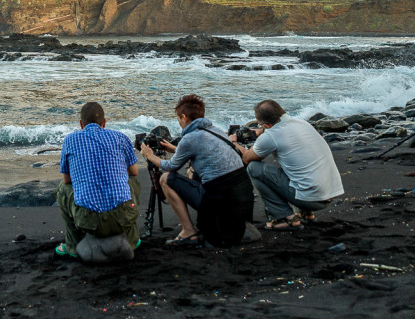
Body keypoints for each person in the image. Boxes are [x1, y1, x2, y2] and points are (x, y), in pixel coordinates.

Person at [139, 94, 251, 246]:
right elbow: (202, 151)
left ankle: (188, 231)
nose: (178, 122)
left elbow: (170, 166)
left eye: (178, 119)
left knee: (166, 179)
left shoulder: (190, 138)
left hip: (222, 202)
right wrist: (174, 149)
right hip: (241, 198)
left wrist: (149, 155)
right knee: (193, 170)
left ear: (184, 117)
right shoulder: (215, 130)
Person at [241, 100, 344, 231]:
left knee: (254, 168)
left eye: (261, 124)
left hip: (311, 199)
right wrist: (259, 132)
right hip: (329, 193)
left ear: (266, 124)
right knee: (299, 168)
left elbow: (247, 158)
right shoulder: (302, 123)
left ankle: (283, 218)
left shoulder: (271, 136)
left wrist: (233, 142)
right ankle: (305, 213)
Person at [55, 102, 140, 259]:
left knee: (62, 189)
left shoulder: (70, 140)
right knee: (132, 180)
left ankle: (72, 246)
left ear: (81, 124)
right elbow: (134, 171)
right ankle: (132, 240)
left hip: (88, 220)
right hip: (122, 217)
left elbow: (67, 180)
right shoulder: (120, 137)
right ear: (104, 122)